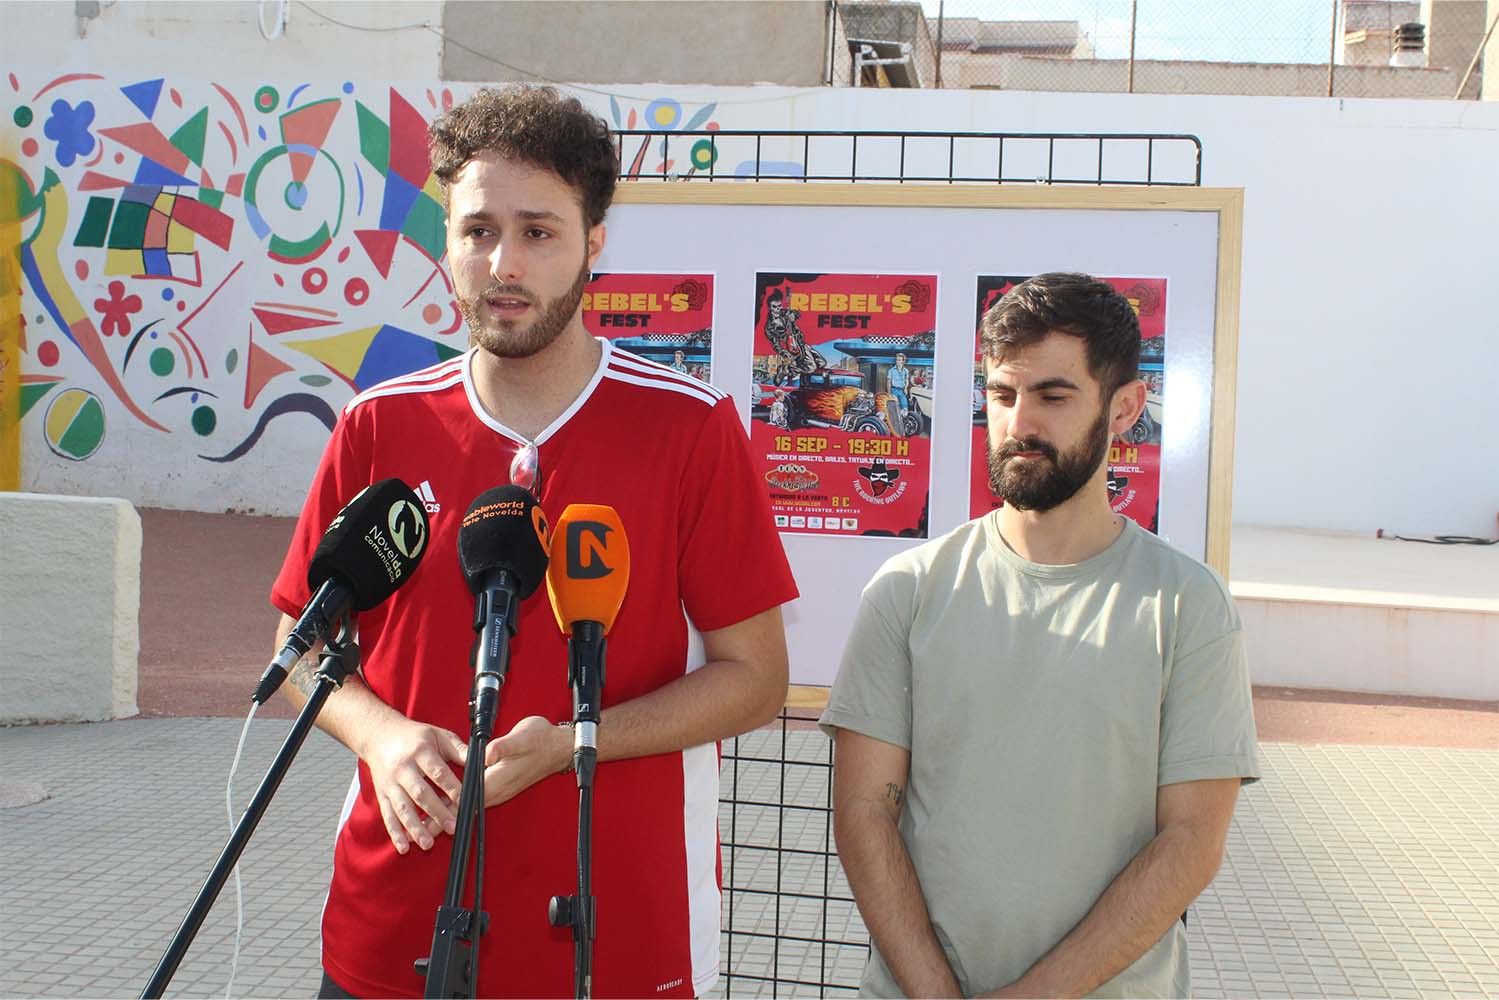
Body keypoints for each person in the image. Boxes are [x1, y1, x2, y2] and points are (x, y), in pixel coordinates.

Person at [270, 85, 797, 999]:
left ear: (594, 243)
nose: (503, 263)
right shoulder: (376, 424)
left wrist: (574, 743)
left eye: (538, 232)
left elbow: (755, 679)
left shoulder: (688, 428)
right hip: (393, 923)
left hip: (615, 936)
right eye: (477, 230)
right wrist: (382, 735)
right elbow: (297, 645)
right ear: (446, 242)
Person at [821, 272, 1258, 998]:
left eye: (1053, 397)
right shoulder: (909, 589)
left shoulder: (1187, 605)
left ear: (1124, 408)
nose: (1019, 423)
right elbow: (866, 812)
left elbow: (1190, 843)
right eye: (1001, 395)